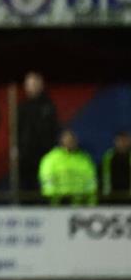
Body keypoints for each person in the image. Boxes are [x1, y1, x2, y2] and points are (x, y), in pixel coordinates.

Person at [16, 71, 59, 201]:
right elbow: (16, 130)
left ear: (41, 85)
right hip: (25, 155)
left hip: (44, 155)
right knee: (25, 188)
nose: (32, 87)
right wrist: (18, 148)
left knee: (43, 188)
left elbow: (53, 130)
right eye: (29, 84)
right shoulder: (21, 107)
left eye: (35, 84)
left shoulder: (49, 106)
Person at [39, 130, 98, 206]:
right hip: (57, 204)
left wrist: (91, 203)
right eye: (68, 140)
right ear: (61, 141)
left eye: (73, 140)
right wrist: (53, 202)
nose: (71, 142)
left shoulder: (84, 159)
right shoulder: (51, 159)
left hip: (80, 204)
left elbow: (91, 183)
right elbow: (47, 182)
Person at [101, 131, 131, 202]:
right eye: (120, 141)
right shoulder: (108, 156)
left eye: (125, 141)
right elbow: (105, 176)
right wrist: (106, 193)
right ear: (115, 142)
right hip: (112, 197)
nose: (122, 143)